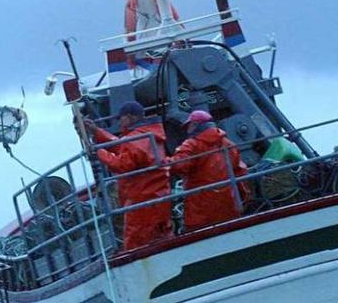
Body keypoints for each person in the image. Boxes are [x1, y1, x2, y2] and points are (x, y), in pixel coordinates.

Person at [84, 101, 173, 250]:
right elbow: (123, 147)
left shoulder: (136, 139)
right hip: (158, 196)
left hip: (142, 200)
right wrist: (96, 132)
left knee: (136, 243)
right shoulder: (147, 134)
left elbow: (122, 165)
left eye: (121, 118)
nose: (119, 122)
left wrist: (98, 152)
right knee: (163, 235)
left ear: (130, 117)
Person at [165, 110, 250, 231]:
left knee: (200, 234)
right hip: (229, 204)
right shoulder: (229, 144)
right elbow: (240, 171)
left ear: (195, 125)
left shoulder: (192, 144)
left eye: (188, 126)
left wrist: (163, 163)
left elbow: (179, 165)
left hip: (201, 206)